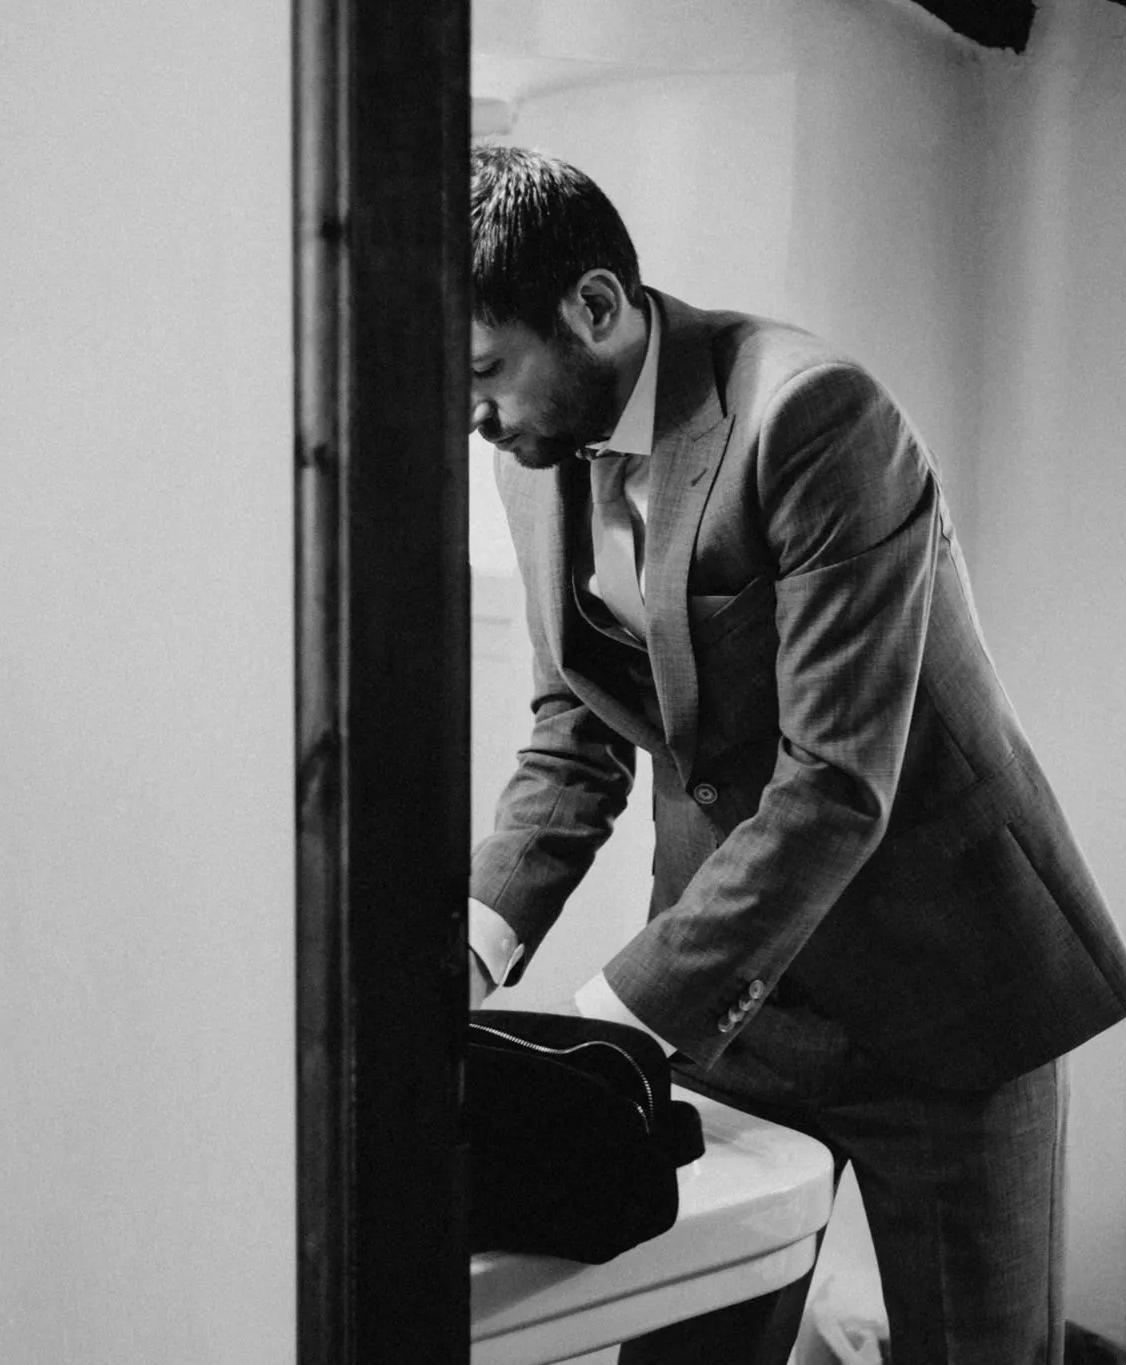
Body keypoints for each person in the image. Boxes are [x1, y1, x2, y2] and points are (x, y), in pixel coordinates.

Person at [464, 144, 1126, 1364]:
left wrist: (608, 1024)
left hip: (944, 990)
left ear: (594, 307)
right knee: (678, 1349)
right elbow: (574, 735)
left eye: (484, 370)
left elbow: (831, 783)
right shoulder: (531, 456)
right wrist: (468, 945)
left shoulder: (813, 415)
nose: (474, 413)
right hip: (734, 1001)